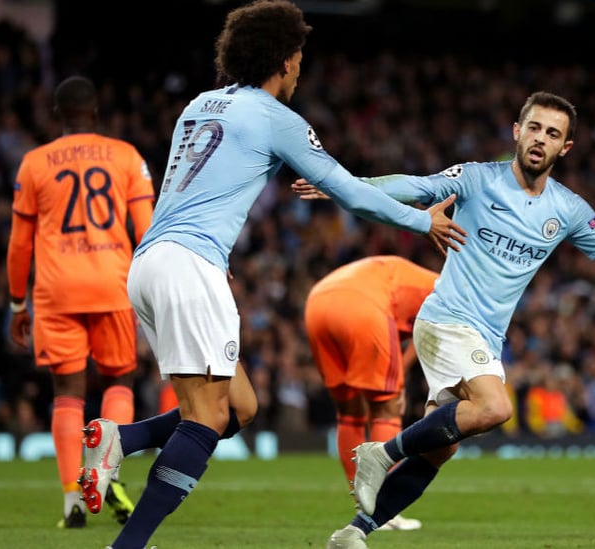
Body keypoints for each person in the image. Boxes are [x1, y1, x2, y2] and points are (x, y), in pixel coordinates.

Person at [76, 2, 466, 549]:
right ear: (284, 61)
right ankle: (131, 544)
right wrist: (420, 219)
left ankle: (122, 437)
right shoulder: (275, 117)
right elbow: (353, 192)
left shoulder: (200, 104)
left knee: (241, 407)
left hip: (149, 264)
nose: (300, 72)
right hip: (192, 265)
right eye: (299, 61)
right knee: (206, 418)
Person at [295, 90, 595, 548]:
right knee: (497, 407)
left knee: (440, 448)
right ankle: (381, 453)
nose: (540, 139)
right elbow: (415, 185)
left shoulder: (567, 210)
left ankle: (353, 533)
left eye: (553, 133)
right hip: (447, 318)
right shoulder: (476, 179)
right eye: (534, 127)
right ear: (516, 132)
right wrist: (343, 185)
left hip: (484, 335)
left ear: (565, 148)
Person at [7, 75, 155, 529]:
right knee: (120, 381)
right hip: (112, 283)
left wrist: (16, 303)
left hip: (56, 292)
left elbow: (19, 243)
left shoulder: (34, 163)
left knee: (68, 394)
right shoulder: (126, 157)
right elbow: (146, 230)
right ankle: (105, 473)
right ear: (95, 112)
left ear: (58, 115)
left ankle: (73, 499)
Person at [305, 255, 439, 532]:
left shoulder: (413, 276)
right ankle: (382, 510)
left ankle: (361, 502)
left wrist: (400, 368)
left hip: (317, 303)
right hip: (363, 306)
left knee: (350, 412)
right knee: (387, 408)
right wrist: (400, 376)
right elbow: (433, 332)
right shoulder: (444, 290)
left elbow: (419, 332)